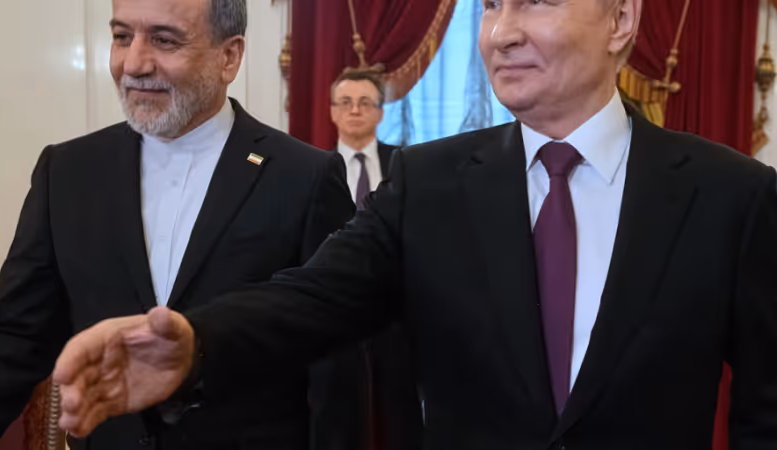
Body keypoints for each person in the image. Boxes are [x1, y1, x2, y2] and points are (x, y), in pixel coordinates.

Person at [50, 0, 777, 448]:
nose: (501, 33)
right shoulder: (430, 182)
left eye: (535, 2)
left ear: (621, 21)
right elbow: (313, 297)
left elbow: (765, 412)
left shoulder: (732, 197)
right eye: (492, 6)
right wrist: (195, 343)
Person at [0, 0, 354, 449]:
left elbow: (338, 369)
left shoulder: (304, 178)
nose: (133, 64)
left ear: (228, 56)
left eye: (164, 40)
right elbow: (18, 334)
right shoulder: (67, 171)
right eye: (121, 36)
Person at [309, 70, 423, 450]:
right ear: (332, 111)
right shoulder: (311, 168)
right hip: (331, 307)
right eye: (346, 102)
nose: (355, 111)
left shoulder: (407, 165)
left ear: (380, 112)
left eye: (365, 103)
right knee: (335, 411)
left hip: (396, 308)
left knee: (400, 410)